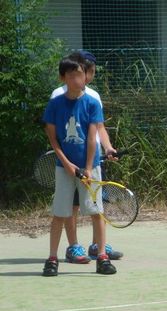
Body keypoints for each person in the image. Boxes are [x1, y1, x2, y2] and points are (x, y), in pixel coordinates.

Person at [42, 54, 116, 276]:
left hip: (90, 166)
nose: (77, 79)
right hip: (63, 167)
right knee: (60, 213)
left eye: (80, 75)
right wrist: (67, 164)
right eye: (72, 75)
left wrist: (86, 167)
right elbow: (53, 139)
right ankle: (52, 259)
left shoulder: (92, 103)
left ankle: (101, 256)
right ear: (63, 77)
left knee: (96, 212)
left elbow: (93, 136)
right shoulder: (55, 104)